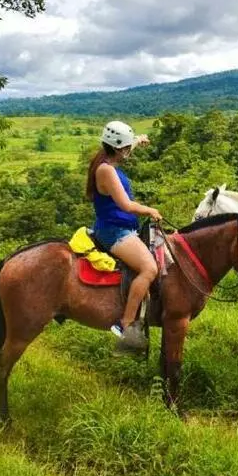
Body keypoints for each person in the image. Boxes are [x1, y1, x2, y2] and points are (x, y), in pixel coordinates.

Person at [86, 120, 162, 350]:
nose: (130, 150)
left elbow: (125, 148)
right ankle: (125, 323)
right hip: (115, 231)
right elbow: (126, 205)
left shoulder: (105, 159)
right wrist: (150, 210)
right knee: (150, 269)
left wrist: (138, 140)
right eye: (128, 146)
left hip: (122, 227)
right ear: (119, 148)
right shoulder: (106, 171)